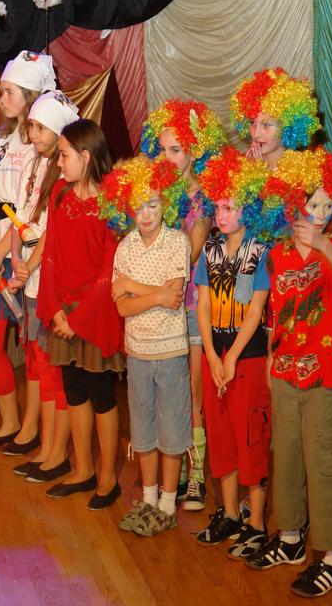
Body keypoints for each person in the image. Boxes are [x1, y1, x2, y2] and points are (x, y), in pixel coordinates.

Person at [244, 147, 332, 599]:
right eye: (313, 204)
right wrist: (271, 356)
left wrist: (325, 244)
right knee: (287, 454)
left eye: (329, 206)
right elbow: (275, 310)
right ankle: (291, 537)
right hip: (284, 366)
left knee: (325, 459)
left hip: (326, 371)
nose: (321, 214)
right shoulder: (277, 254)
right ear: (293, 203)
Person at [138, 99, 226, 511]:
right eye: (163, 149)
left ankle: (197, 474)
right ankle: (171, 468)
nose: (167, 157)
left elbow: (191, 253)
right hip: (157, 303)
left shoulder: (202, 197)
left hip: (189, 303)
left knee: (192, 390)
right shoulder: (155, 194)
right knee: (164, 390)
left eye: (176, 150)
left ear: (196, 150)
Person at [102, 155, 191, 536]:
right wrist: (155, 294)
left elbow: (174, 296)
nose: (146, 214)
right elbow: (122, 306)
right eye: (138, 206)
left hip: (170, 353)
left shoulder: (177, 243)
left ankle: (168, 503)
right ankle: (150, 498)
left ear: (165, 202)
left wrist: (133, 288)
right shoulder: (125, 248)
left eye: (153, 204)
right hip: (137, 352)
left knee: (171, 430)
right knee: (143, 429)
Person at [189, 147, 271, 557]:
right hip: (215, 357)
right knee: (220, 434)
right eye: (218, 206)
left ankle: (257, 522)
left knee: (250, 435)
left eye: (230, 207)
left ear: (248, 208)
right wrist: (210, 354)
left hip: (247, 357)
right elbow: (202, 307)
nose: (221, 215)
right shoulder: (210, 251)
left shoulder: (260, 253)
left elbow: (256, 311)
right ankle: (230, 512)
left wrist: (232, 356)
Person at [37, 118, 123, 510]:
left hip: (95, 311)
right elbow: (51, 254)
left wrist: (78, 318)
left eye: (64, 156)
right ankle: (83, 468)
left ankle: (108, 477)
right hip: (64, 311)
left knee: (100, 393)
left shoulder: (111, 202)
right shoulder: (59, 194)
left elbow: (109, 268)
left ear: (86, 157)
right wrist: (56, 309)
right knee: (73, 390)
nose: (59, 163)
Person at [0, 51, 56, 451]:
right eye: (2, 91)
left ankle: (29, 426)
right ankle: (14, 422)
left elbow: (26, 210)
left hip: (22, 253)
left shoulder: (38, 148)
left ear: (30, 95)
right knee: (1, 343)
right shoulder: (3, 138)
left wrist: (4, 253)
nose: (2, 98)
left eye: (9, 92)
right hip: (0, 250)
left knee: (31, 346)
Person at [7, 91, 79, 481]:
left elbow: (51, 234)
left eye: (40, 127)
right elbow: (20, 219)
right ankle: (47, 446)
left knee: (53, 367)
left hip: (47, 279)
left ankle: (57, 451)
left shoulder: (65, 174)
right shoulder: (32, 165)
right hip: (29, 276)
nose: (32, 134)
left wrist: (29, 266)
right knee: (36, 360)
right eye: (31, 126)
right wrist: (16, 260)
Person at [230, 68, 320, 169]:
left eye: (266, 125)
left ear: (287, 127)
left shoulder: (304, 173)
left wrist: (260, 173)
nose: (256, 134)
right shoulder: (239, 170)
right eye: (252, 123)